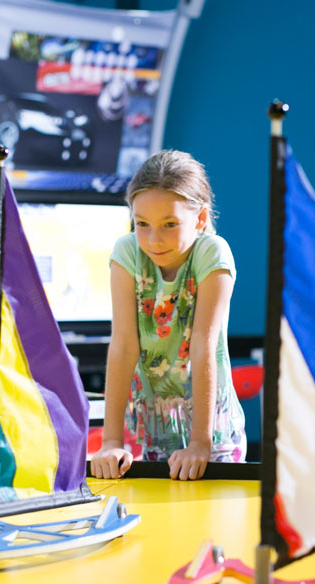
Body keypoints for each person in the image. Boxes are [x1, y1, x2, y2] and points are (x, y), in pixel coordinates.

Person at [91, 149, 246, 481]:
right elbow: (122, 346)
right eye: (142, 224)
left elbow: (204, 344)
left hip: (213, 434)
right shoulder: (127, 251)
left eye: (170, 224)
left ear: (201, 219)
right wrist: (111, 441)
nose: (153, 239)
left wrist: (200, 444)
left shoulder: (212, 253)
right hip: (153, 429)